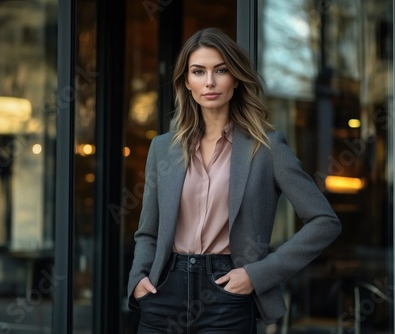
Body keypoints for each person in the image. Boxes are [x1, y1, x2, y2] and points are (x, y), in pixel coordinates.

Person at [127, 27, 341, 333]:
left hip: (226, 294)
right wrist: (138, 279)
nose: (210, 82)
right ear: (186, 82)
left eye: (221, 70)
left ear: (236, 78)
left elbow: (325, 221)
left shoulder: (266, 148)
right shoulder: (163, 148)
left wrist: (258, 274)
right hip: (163, 292)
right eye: (198, 72)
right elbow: (148, 231)